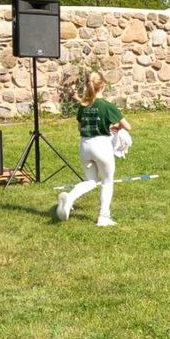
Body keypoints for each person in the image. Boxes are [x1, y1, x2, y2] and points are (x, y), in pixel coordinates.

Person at [56, 72, 131, 226]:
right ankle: (104, 217)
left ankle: (69, 198)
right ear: (103, 85)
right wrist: (115, 126)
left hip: (85, 146)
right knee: (107, 181)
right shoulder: (107, 106)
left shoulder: (83, 106)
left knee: (90, 180)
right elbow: (127, 126)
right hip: (102, 146)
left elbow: (79, 127)